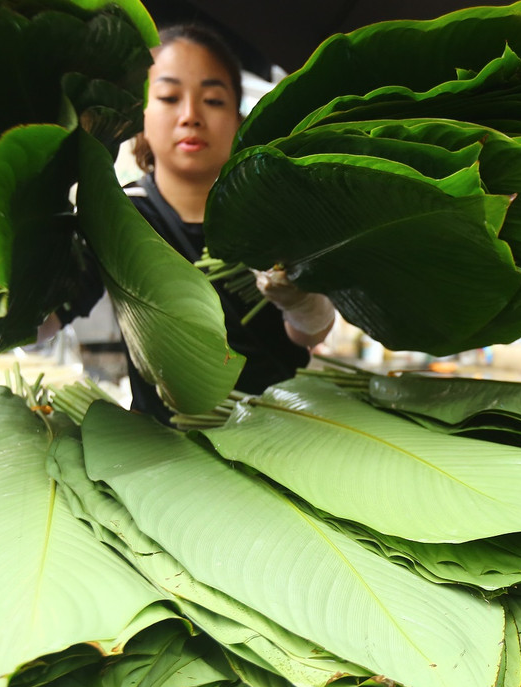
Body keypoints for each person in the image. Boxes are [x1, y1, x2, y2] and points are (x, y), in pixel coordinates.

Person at [50, 23, 336, 424]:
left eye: (214, 100)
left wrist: (305, 306)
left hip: (282, 437)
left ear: (239, 119)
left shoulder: (273, 213)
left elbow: (309, 336)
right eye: (168, 97)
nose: (190, 116)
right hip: (167, 449)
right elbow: (46, 319)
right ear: (139, 115)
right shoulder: (119, 213)